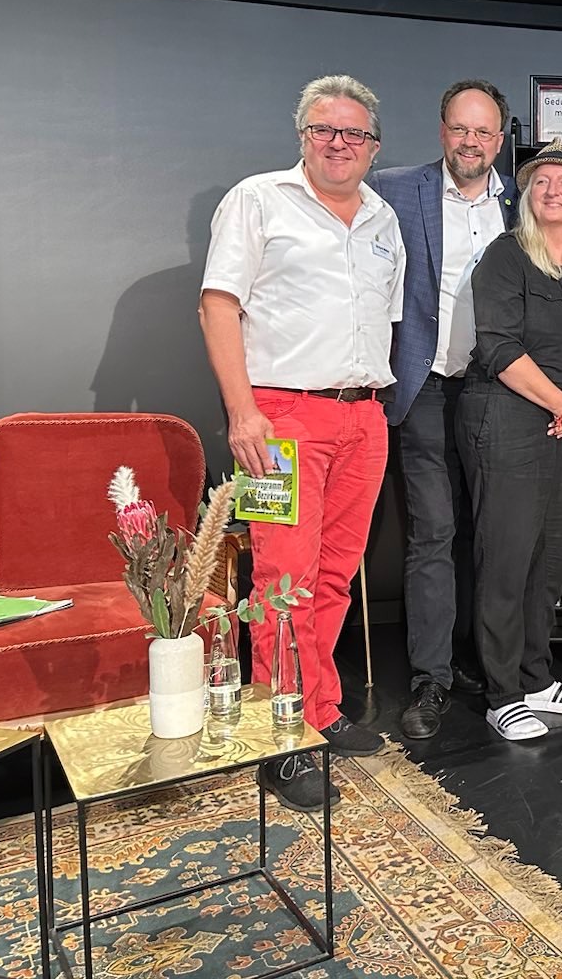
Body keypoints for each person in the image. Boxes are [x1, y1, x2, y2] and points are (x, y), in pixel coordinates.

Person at [200, 74, 404, 810]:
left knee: (334, 577)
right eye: (325, 130)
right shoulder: (258, 200)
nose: (339, 143)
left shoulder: (382, 219)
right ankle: (280, 736)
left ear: (373, 147)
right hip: (280, 416)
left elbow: (386, 323)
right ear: (302, 137)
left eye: (353, 133)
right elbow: (219, 304)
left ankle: (319, 708)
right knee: (281, 582)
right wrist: (241, 412)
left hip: (362, 417)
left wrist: (371, 413)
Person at [373, 80, 520, 742]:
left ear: (500, 138)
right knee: (432, 533)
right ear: (442, 132)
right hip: (425, 387)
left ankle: (487, 668)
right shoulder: (395, 188)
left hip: (499, 391)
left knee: (487, 533)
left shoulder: (522, 198)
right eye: (460, 129)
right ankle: (430, 679)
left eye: (483, 132)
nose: (470, 142)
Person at [458, 140, 562, 741]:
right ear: (526, 195)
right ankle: (502, 692)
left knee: (551, 558)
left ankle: (537, 676)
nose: (552, 191)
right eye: (541, 181)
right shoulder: (505, 256)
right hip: (507, 419)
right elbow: (497, 346)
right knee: (507, 556)